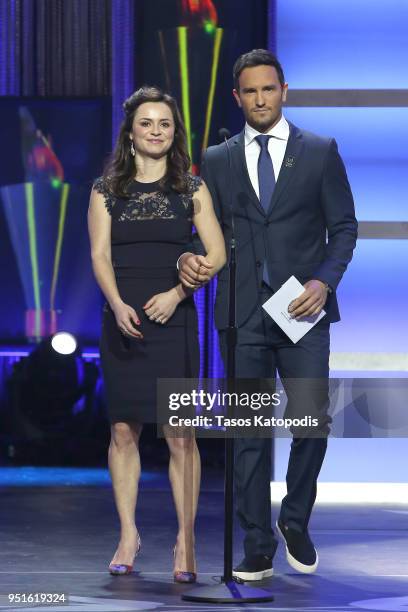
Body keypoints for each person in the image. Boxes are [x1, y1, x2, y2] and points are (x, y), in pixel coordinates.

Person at [179, 49, 358, 580]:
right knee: (249, 433)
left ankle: (295, 521)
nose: (260, 99)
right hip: (242, 312)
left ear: (284, 90)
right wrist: (188, 255)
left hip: (302, 307)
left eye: (268, 89)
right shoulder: (217, 159)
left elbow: (344, 227)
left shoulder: (321, 152)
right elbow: (202, 234)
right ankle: (256, 542)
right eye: (250, 91)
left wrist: (323, 281)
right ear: (237, 98)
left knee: (310, 425)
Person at [88, 86, 226, 583]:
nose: (155, 131)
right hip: (123, 318)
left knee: (181, 438)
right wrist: (117, 303)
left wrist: (178, 294)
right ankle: (128, 533)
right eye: (146, 123)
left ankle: (185, 544)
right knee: (123, 430)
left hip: (174, 321)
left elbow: (217, 253)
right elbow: (100, 255)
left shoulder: (191, 188)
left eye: (164, 124)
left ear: (174, 132)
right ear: (130, 131)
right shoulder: (106, 190)